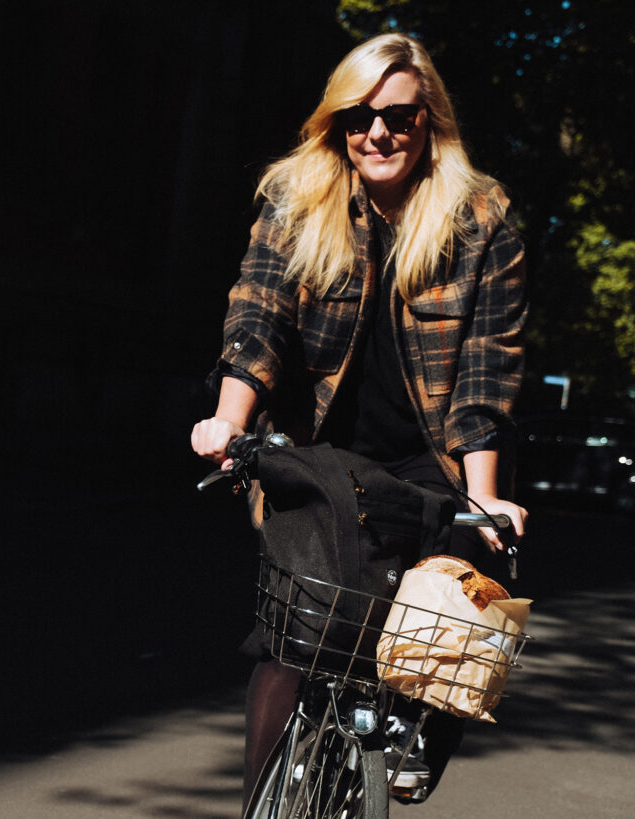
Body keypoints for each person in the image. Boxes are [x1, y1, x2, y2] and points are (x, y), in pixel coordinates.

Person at [189, 33, 529, 808]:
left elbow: (487, 370)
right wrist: (227, 419)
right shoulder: (298, 198)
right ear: (338, 123)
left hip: (433, 461)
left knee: (459, 606)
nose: (378, 133)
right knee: (296, 639)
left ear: (429, 122)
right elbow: (259, 315)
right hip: (318, 453)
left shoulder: (480, 219)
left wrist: (487, 497)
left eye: (399, 117)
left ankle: (425, 724)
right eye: (359, 116)